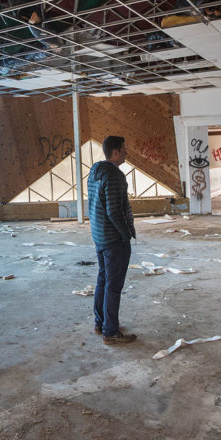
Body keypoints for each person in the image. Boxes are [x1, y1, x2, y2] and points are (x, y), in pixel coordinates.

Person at [87, 135, 137, 345]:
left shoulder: (94, 172)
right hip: (113, 238)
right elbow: (115, 211)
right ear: (115, 152)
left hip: (99, 235)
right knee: (113, 286)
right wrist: (126, 235)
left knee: (103, 279)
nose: (126, 153)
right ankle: (111, 332)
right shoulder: (115, 176)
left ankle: (101, 323)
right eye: (124, 149)